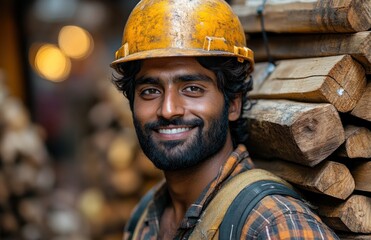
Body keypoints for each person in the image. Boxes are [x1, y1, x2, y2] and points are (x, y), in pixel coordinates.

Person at [110, 0, 340, 239]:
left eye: (192, 88)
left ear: (233, 104)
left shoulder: (272, 225)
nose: (168, 110)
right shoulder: (145, 218)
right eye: (150, 91)